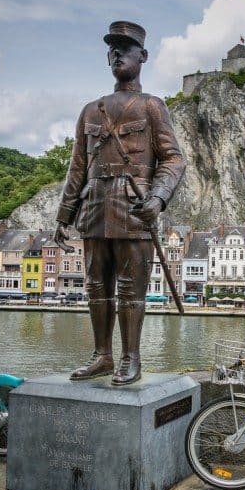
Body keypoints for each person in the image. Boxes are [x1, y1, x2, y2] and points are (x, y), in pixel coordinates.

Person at [54, 21, 185, 386]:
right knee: (96, 286)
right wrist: (64, 216)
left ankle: (130, 358)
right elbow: (77, 168)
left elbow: (174, 159)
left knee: (131, 289)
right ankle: (102, 355)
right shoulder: (90, 111)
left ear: (142, 56)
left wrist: (158, 197)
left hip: (133, 208)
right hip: (94, 207)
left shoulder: (152, 107)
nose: (116, 54)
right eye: (112, 48)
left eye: (125, 48)